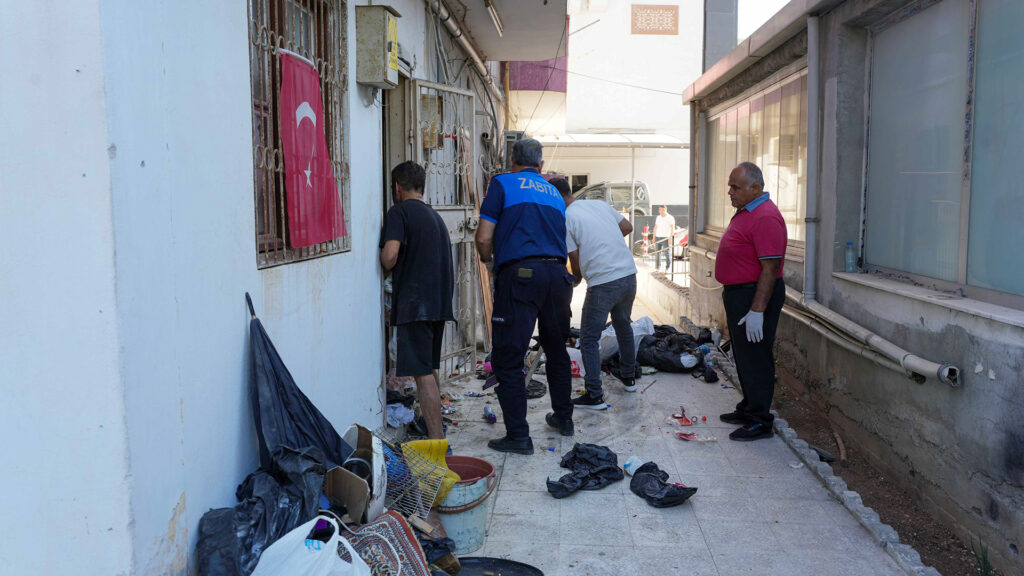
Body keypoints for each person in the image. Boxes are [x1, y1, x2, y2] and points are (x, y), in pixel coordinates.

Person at [475, 139, 575, 455]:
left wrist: (490, 265)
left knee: (507, 357)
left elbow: (483, 237)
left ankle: (519, 436)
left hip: (521, 276)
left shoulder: (502, 184)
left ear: (511, 160)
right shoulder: (554, 193)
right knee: (556, 351)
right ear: (541, 165)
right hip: (558, 277)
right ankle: (564, 419)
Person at [380, 161, 454, 440]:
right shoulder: (435, 217)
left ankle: (437, 441)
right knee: (429, 368)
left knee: (422, 374)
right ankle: (434, 427)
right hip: (439, 304)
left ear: (397, 187)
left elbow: (389, 257)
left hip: (416, 306)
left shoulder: (399, 212)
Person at [714, 162, 787, 441]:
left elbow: (770, 268)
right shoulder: (748, 211)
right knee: (744, 354)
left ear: (755, 188)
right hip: (740, 293)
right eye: (730, 186)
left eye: (735, 187)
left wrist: (757, 310)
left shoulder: (765, 217)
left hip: (754, 295)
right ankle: (749, 407)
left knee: (756, 356)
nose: (730, 192)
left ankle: (760, 420)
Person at [552, 178, 639, 409]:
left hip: (603, 282)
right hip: (628, 275)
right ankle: (629, 378)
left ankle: (594, 394)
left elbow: (574, 258)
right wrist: (604, 243)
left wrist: (576, 279)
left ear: (557, 197)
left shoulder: (566, 218)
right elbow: (627, 227)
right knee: (623, 326)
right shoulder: (598, 204)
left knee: (589, 338)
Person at [653, 205, 676, 271]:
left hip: (666, 238)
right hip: (658, 237)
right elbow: (655, 227)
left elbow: (672, 228)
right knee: (657, 253)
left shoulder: (670, 217)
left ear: (665, 210)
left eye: (662, 210)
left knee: (667, 253)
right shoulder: (658, 217)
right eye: (660, 210)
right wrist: (654, 237)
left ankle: (667, 268)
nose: (661, 211)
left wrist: (671, 238)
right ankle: (657, 268)